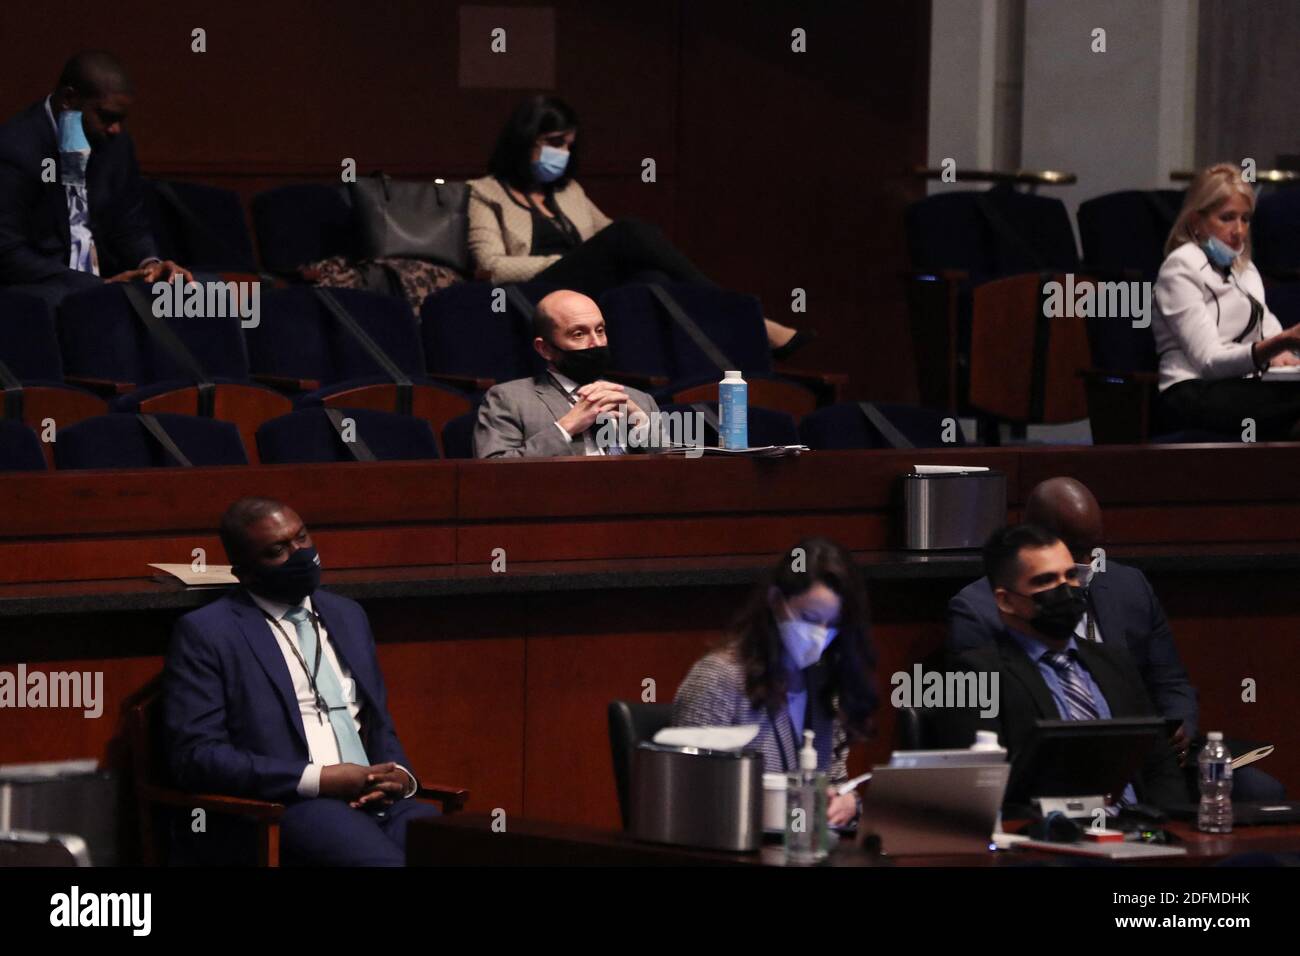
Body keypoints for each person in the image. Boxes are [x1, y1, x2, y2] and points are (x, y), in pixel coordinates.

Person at [950, 476, 1283, 801]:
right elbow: (992, 759)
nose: (1074, 580)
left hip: (1138, 777)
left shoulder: (1113, 653)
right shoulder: (979, 633)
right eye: (1048, 579)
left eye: (1074, 569)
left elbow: (1169, 690)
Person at [164, 497, 438, 866]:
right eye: (278, 550)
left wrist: (400, 775)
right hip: (293, 804)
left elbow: (377, 722)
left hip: (381, 800)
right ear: (244, 573)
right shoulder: (209, 633)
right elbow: (196, 757)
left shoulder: (347, 615)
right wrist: (319, 779)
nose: (301, 555)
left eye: (302, 538)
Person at [467, 94, 811, 358]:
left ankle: (683, 377)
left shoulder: (569, 192)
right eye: (555, 143)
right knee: (630, 231)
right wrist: (563, 262)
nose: (564, 154)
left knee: (652, 279)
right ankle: (741, 315)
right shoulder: (486, 192)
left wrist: (600, 257)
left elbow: (614, 244)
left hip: (586, 293)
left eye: (569, 146)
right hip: (537, 294)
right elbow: (490, 265)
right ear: (525, 140)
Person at [943, 524, 1188, 810]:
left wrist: (1170, 831)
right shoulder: (975, 676)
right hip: (1049, 837)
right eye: (1046, 581)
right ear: (1006, 600)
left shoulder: (1114, 663)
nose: (1066, 591)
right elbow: (987, 792)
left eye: (1070, 576)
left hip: (1140, 830)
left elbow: (1159, 766)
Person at [672, 538, 877, 827]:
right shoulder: (719, 679)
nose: (819, 635)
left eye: (831, 625)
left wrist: (849, 805)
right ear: (776, 602)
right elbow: (688, 800)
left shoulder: (824, 685)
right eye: (809, 618)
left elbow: (834, 785)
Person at [0, 51, 190, 309]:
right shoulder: (16, 149)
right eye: (107, 117)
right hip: (44, 292)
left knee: (196, 293)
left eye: (120, 120)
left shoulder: (115, 144)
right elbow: (9, 253)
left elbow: (130, 226)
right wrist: (96, 285)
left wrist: (151, 266)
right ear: (68, 99)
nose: (116, 130)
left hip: (109, 285)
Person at [1153, 162, 1300, 440]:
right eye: (1227, 218)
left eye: (1245, 219)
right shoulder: (1180, 267)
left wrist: (1284, 353)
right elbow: (1209, 362)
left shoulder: (1245, 269)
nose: (1239, 231)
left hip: (1241, 386)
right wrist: (1278, 344)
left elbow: (1271, 336)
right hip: (1190, 392)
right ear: (1197, 221)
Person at [474, 288, 662, 458]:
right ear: (544, 349)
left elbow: (676, 471)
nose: (596, 343)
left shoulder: (640, 401)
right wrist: (566, 428)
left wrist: (642, 424)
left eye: (600, 330)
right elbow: (492, 473)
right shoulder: (509, 399)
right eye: (579, 334)